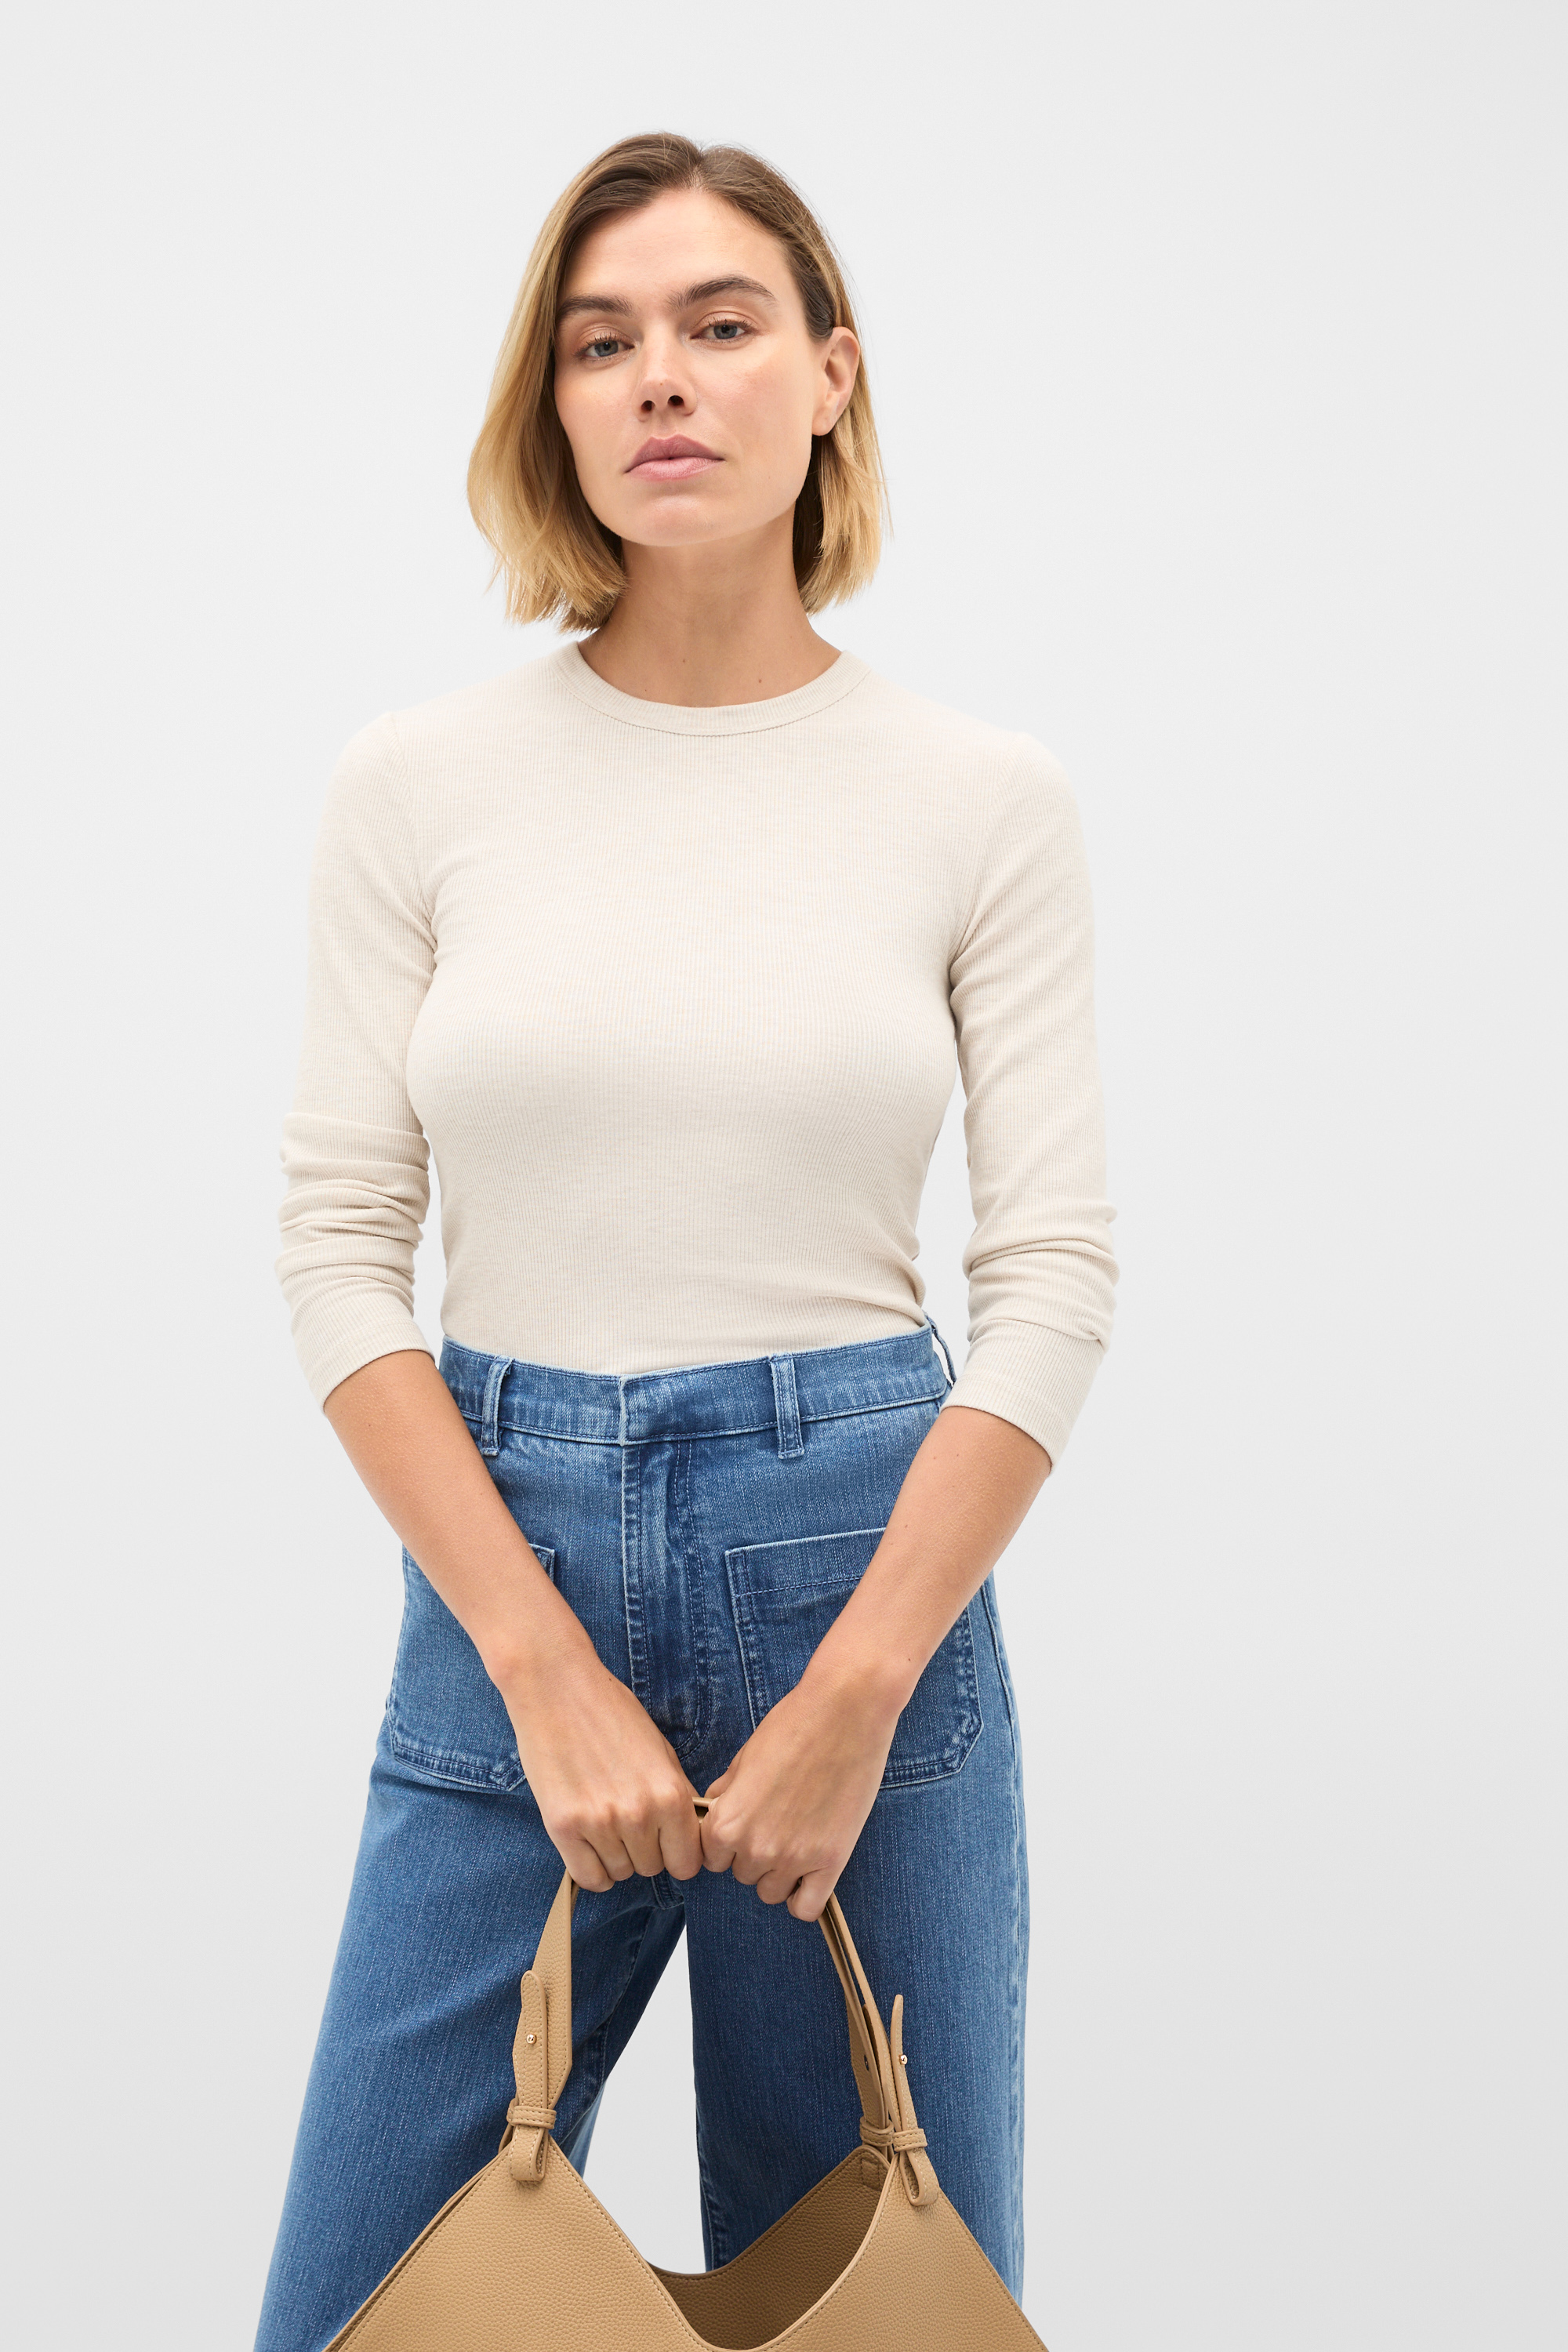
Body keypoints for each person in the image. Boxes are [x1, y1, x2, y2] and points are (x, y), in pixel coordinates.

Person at [254, 130, 1118, 2352]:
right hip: (507, 1560)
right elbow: (341, 1247)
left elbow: (1051, 1277)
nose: (660, 377)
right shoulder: (419, 782)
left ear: (831, 375)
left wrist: (857, 1692)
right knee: (351, 2311)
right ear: (552, 405)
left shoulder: (979, 796)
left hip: (868, 1561)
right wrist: (539, 1667)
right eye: (600, 341)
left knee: (883, 2309)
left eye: (722, 325)